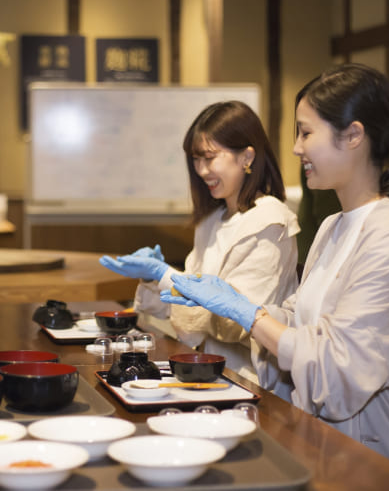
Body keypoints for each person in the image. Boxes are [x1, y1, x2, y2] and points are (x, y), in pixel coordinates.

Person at [162, 63, 389, 479]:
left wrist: (251, 315)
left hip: (371, 455)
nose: (296, 148)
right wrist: (244, 306)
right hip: (321, 429)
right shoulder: (335, 225)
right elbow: (300, 318)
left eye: (306, 132)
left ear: (353, 135)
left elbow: (340, 373)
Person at [100, 101, 298, 393]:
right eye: (196, 159)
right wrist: (153, 278)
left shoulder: (270, 221)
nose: (202, 170)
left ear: (247, 156)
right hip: (203, 370)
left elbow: (238, 323)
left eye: (210, 157)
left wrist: (167, 276)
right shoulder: (213, 219)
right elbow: (179, 310)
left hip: (248, 382)